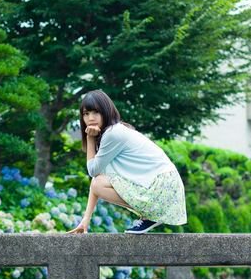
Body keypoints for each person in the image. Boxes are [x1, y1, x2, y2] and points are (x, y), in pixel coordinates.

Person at [67, 89, 187, 234]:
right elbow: (96, 180)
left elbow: (92, 170)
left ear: (106, 112)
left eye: (95, 112)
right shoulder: (111, 133)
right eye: (86, 114)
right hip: (164, 185)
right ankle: (150, 215)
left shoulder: (113, 134)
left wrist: (90, 138)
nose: (90, 118)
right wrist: (85, 220)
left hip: (163, 186)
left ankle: (151, 214)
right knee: (99, 182)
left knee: (99, 183)